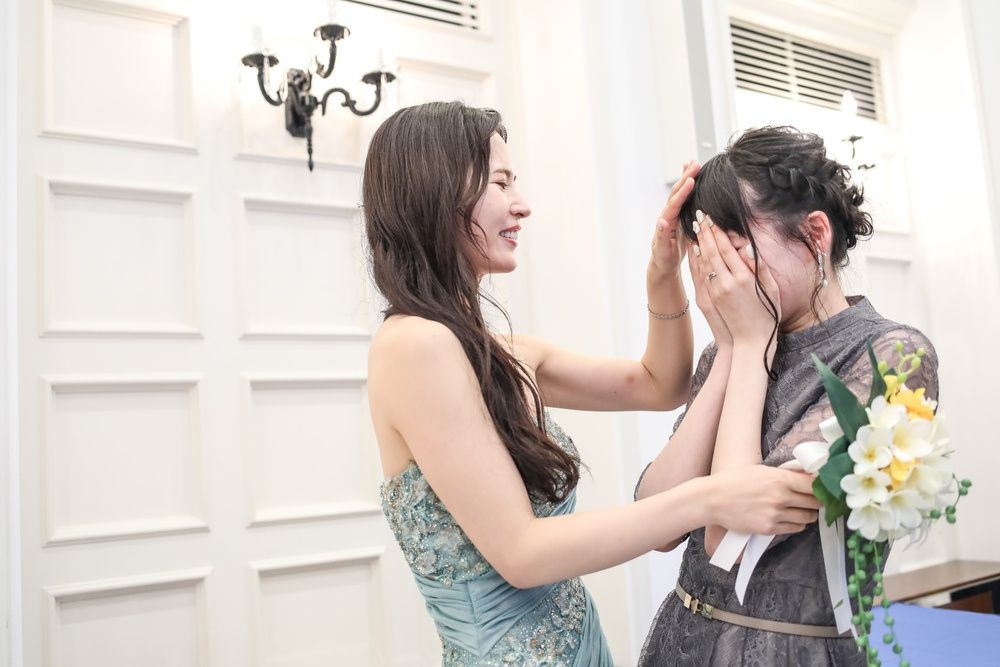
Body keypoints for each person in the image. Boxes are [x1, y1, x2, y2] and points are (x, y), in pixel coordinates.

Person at [365, 102, 822, 665]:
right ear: (436, 191)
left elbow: (659, 384)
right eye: (501, 183)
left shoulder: (499, 352)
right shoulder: (415, 345)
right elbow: (522, 553)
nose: (522, 204)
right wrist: (713, 496)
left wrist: (663, 272)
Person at [634, 126, 939, 666]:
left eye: (735, 249)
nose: (721, 275)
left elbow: (730, 536)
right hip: (680, 640)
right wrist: (732, 349)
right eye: (709, 253)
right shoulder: (729, 348)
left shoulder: (891, 355)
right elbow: (653, 522)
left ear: (815, 233)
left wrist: (750, 344)